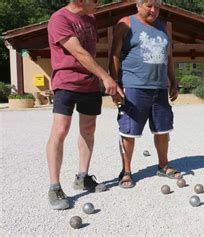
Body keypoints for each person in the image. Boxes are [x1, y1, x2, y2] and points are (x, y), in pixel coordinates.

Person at [46, 0, 124, 210]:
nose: (98, 3)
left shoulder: (90, 18)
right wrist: (106, 78)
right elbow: (79, 53)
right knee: (60, 130)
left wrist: (101, 78)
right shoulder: (59, 19)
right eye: (95, 0)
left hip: (89, 84)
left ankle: (82, 177)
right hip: (66, 82)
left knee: (88, 130)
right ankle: (54, 186)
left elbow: (91, 52)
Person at [109, 0, 180, 188]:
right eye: (149, 5)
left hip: (159, 87)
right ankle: (126, 171)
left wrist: (173, 80)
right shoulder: (126, 23)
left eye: (157, 6)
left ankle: (163, 165)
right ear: (138, 5)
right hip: (133, 86)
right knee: (129, 130)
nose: (153, 10)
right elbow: (114, 54)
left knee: (163, 129)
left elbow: (169, 56)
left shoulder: (164, 27)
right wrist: (114, 83)